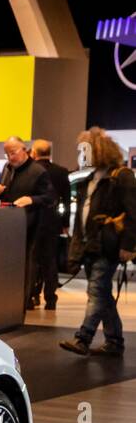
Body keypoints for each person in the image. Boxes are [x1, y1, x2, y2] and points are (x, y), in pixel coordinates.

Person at [59, 127, 136, 357]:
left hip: (108, 245)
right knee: (102, 294)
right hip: (90, 244)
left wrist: (129, 246)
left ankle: (83, 338)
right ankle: (115, 341)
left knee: (96, 290)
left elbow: (134, 214)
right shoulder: (90, 178)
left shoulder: (121, 176)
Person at [0, 135, 55, 310]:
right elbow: (3, 192)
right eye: (7, 154)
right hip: (9, 227)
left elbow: (50, 197)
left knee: (28, 266)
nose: (10, 157)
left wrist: (31, 199)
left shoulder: (38, 171)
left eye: (13, 153)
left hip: (30, 227)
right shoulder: (7, 168)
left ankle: (23, 302)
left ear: (25, 150)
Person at [29, 138, 71, 310]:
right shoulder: (61, 172)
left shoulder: (32, 171)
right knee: (50, 260)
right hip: (52, 221)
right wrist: (65, 223)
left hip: (34, 219)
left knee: (33, 259)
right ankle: (51, 299)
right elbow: (66, 200)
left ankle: (32, 296)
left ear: (34, 153)